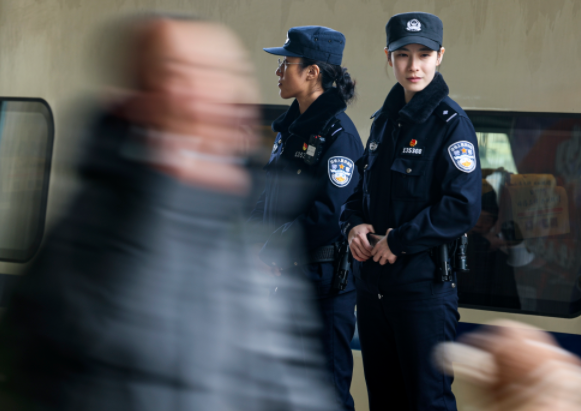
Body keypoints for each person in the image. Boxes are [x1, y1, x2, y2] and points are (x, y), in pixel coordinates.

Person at [0, 15, 337, 411]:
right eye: (193, 74)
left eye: (231, 73)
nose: (227, 91)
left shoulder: (236, 235)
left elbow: (286, 381)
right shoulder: (95, 243)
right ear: (145, 101)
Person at [340, 12, 482, 411]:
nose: (413, 65)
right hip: (373, 292)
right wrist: (353, 225)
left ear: (440, 57)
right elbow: (358, 193)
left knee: (427, 403)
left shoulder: (451, 124)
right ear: (389, 58)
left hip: (423, 293)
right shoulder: (383, 124)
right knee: (384, 401)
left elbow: (462, 206)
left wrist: (399, 241)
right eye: (403, 55)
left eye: (424, 54)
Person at [249, 26, 363, 411]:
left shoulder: (339, 135)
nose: (279, 71)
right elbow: (267, 195)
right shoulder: (290, 129)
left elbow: (331, 213)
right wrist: (255, 243)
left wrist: (272, 249)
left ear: (312, 72)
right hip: (284, 277)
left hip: (322, 284)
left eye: (286, 63)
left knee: (324, 395)